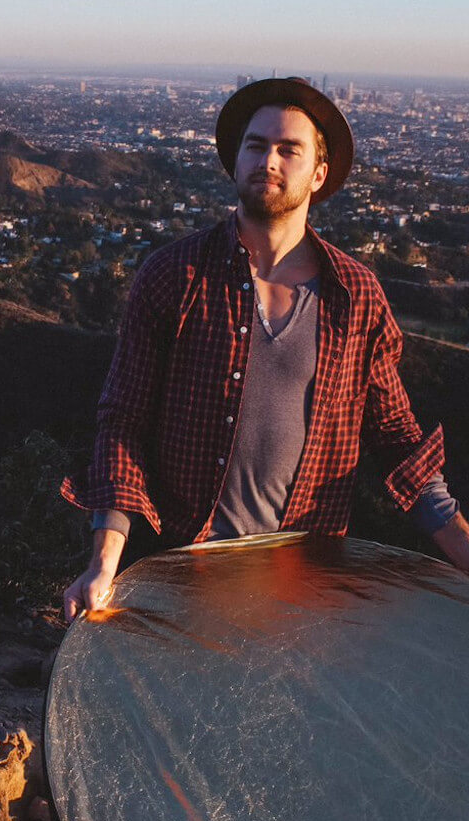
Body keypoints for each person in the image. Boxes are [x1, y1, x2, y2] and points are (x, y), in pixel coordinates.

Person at [61, 78, 469, 622]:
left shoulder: (356, 297)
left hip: (299, 584)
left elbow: (397, 438)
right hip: (181, 571)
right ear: (235, 161)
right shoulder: (175, 277)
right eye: (255, 146)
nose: (268, 160)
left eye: (288, 149)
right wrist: (104, 560)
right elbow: (123, 420)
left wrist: (463, 548)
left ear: (318, 175)